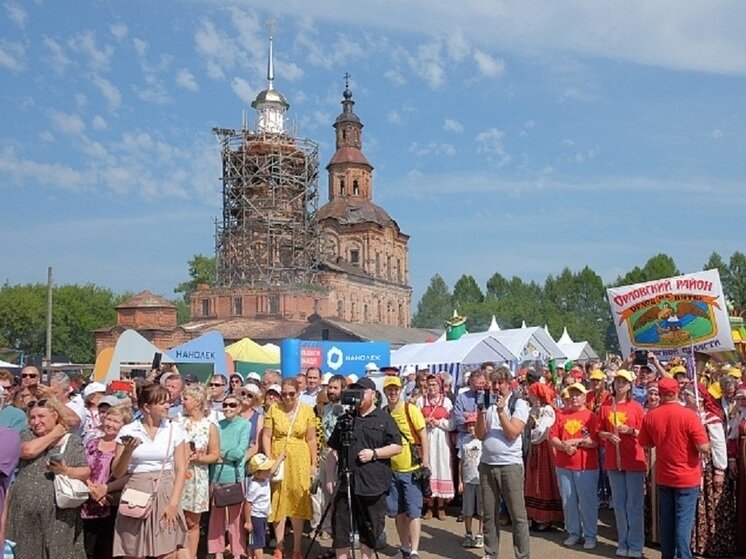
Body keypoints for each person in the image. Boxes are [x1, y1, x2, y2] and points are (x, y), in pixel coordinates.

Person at [326, 376, 402, 559]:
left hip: (372, 486)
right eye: (354, 391)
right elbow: (332, 450)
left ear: (373, 395)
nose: (357, 395)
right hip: (346, 484)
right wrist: (330, 477)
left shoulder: (384, 418)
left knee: (368, 533)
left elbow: (397, 447)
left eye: (361, 391)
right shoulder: (346, 419)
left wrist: (374, 453)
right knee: (341, 533)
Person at [6, 398, 91, 559]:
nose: (36, 421)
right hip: (24, 513)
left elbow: (85, 471)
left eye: (41, 416)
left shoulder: (71, 441)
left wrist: (66, 470)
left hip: (59, 515)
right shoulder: (26, 435)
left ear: (55, 416)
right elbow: (28, 451)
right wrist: (54, 433)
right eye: (32, 417)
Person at [111, 382, 188, 559]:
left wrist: (173, 504)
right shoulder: (128, 430)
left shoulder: (175, 429)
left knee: (167, 550)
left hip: (166, 491)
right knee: (132, 550)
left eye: (168, 401)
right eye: (162, 403)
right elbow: (118, 472)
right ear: (147, 406)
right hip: (136, 492)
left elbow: (181, 468)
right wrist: (128, 451)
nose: (167, 406)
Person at [638, 376, 710, 559]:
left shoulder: (651, 416)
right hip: (687, 477)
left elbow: (646, 443)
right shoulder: (689, 415)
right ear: (677, 392)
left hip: (664, 476)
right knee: (683, 523)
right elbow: (703, 447)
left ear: (660, 394)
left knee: (668, 522)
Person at [475, 366, 531, 559]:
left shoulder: (519, 404)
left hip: (510, 466)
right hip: (487, 464)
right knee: (489, 514)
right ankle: (490, 553)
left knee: (518, 515)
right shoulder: (488, 404)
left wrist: (501, 412)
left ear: (509, 384)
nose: (497, 387)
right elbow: (480, 434)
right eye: (495, 383)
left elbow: (513, 432)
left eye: (501, 383)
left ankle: (522, 555)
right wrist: (481, 412)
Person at [262, 378, 317, 559]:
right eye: (284, 394)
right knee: (279, 499)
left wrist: (313, 464)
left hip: (300, 458)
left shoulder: (307, 410)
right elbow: (267, 435)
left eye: (291, 393)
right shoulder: (273, 409)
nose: (287, 397)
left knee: (297, 500)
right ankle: (279, 545)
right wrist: (270, 459)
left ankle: (297, 548)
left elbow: (311, 439)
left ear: (298, 392)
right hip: (279, 457)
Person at [598, 370, 647, 558]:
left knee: (634, 504)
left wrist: (630, 430)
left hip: (633, 459)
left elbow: (644, 433)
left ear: (629, 386)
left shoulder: (636, 407)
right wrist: (607, 434)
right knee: (619, 504)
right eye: (617, 381)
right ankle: (623, 541)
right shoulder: (605, 407)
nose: (620, 385)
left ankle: (636, 544)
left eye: (623, 382)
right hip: (613, 460)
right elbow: (598, 431)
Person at [685, 383, 735, 557]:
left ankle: (715, 544)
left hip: (709, 468)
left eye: (689, 395)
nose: (686, 397)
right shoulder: (688, 416)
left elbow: (719, 445)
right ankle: (697, 543)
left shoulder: (710, 419)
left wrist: (720, 470)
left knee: (712, 505)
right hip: (693, 467)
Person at [549, 382, 600, 550]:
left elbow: (596, 441)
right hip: (564, 465)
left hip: (586, 466)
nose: (574, 397)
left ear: (584, 397)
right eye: (572, 394)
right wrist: (564, 446)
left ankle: (590, 534)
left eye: (577, 394)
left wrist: (576, 442)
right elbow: (553, 437)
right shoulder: (561, 414)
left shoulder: (591, 416)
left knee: (587, 502)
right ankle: (573, 532)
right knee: (568, 500)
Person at [383, 374, 429, 559]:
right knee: (398, 511)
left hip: (411, 468)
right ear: (385, 392)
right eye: (390, 389)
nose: (393, 392)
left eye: (395, 389)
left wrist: (425, 461)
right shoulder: (384, 412)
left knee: (414, 511)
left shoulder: (411, 410)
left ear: (400, 390)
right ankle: (404, 547)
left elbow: (423, 435)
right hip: (391, 469)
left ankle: (415, 550)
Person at [82, 404, 131, 559]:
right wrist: (91, 488)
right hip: (87, 500)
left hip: (110, 502)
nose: (110, 424)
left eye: (116, 421)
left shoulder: (125, 448)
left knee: (107, 547)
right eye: (108, 419)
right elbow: (81, 467)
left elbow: (127, 474)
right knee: (88, 548)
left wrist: (105, 491)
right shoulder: (91, 443)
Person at [178, 384, 220, 559]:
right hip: (178, 476)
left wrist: (199, 458)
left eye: (186, 398)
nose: (182, 401)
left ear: (197, 402)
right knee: (174, 520)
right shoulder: (177, 422)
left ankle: (192, 555)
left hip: (197, 478)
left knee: (192, 522)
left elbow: (215, 455)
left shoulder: (209, 426)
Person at [208, 393, 250, 559]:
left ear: (239, 408)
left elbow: (239, 452)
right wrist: (218, 455)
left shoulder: (244, 425)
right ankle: (217, 553)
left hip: (235, 476)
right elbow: (212, 450)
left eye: (232, 405)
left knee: (236, 520)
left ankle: (237, 552)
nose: (228, 408)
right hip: (216, 477)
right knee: (216, 519)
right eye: (225, 405)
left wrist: (219, 454)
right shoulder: (217, 425)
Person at [524, 381, 563, 531]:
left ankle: (547, 517)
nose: (530, 396)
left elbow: (543, 431)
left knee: (544, 480)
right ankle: (536, 515)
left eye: (532, 394)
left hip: (544, 448)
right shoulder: (534, 408)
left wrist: (531, 431)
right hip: (535, 448)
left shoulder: (548, 410)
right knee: (534, 481)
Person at [417, 373, 454, 520]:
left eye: (434, 384)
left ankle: (441, 506)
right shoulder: (420, 401)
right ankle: (429, 505)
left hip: (441, 439)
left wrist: (439, 423)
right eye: (429, 384)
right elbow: (415, 420)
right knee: (429, 467)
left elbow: (453, 424)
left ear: (440, 386)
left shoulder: (446, 402)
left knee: (442, 466)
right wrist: (425, 421)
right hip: (427, 437)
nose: (431, 387)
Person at [244, 453, 285, 559]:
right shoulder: (254, 486)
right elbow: (248, 503)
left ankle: (250, 556)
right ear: (257, 473)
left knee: (252, 539)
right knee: (259, 543)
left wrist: (280, 458)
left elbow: (272, 470)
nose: (268, 470)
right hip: (256, 517)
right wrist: (248, 522)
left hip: (262, 515)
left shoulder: (264, 478)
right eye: (265, 469)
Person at [458, 413, 483, 548]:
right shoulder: (464, 441)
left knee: (482, 509)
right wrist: (460, 481)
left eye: (473, 425)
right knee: (467, 509)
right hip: (468, 480)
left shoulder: (482, 440)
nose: (471, 428)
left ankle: (480, 534)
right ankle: (468, 533)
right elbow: (461, 462)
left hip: (480, 480)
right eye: (469, 425)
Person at [238, 384, 264, 463]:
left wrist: (241, 461)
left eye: (249, 395)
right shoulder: (233, 414)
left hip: (249, 461)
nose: (245, 397)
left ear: (255, 400)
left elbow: (257, 446)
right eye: (243, 393)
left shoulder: (259, 418)